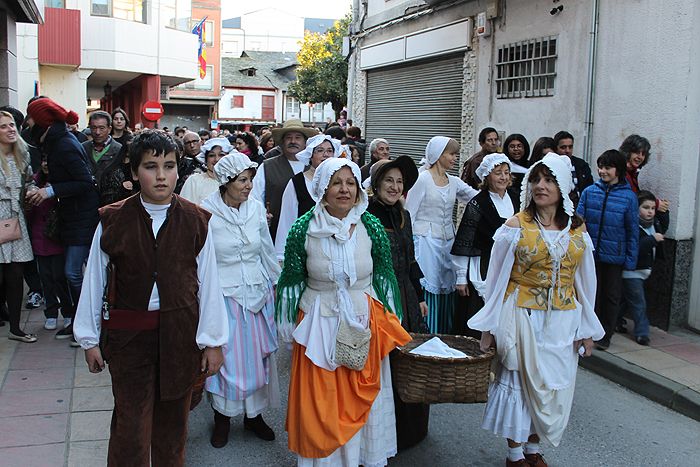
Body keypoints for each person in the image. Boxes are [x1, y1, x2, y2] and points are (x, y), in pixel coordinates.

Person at [72, 129, 228, 466]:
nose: (161, 176)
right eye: (151, 166)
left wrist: (213, 340)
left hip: (180, 336)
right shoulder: (112, 219)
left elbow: (210, 283)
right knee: (130, 429)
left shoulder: (196, 220)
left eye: (169, 166)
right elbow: (95, 280)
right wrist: (89, 339)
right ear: (134, 172)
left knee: (173, 429)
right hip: (129, 340)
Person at [469, 154, 604, 467]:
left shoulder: (577, 229)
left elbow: (585, 285)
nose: (540, 186)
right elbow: (497, 279)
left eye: (549, 180)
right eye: (536, 179)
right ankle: (515, 454)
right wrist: (488, 327)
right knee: (519, 385)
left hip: (563, 320)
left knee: (550, 388)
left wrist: (587, 329)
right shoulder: (515, 226)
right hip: (522, 316)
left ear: (564, 187)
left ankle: (533, 449)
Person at [276, 157, 411, 466]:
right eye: (336, 182)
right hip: (318, 321)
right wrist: (286, 323)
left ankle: (363, 458)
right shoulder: (303, 228)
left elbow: (384, 274)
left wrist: (390, 312)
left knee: (364, 398)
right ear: (322, 188)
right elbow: (292, 279)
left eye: (350, 183)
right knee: (322, 401)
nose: (344, 189)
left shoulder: (370, 225)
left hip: (363, 319)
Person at [202, 153, 282, 448]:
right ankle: (222, 418)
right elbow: (202, 258)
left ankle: (254, 417)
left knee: (257, 361)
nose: (249, 186)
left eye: (250, 179)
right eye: (243, 180)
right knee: (226, 361)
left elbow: (265, 248)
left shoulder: (256, 209)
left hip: (256, 296)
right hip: (223, 296)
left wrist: (275, 283)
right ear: (226, 182)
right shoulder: (206, 211)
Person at [365, 155, 431, 451]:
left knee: (411, 359)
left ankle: (412, 429)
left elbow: (411, 259)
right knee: (387, 362)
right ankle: (385, 433)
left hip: (406, 295)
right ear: (376, 184)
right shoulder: (366, 215)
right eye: (389, 180)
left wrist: (419, 297)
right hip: (380, 297)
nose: (394, 187)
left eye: (399, 182)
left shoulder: (403, 215)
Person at [26, 97, 100, 344]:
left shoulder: (64, 145)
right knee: (72, 273)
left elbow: (84, 182)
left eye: (32, 117)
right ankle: (83, 321)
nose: (28, 123)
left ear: (43, 121)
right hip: (73, 216)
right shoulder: (55, 142)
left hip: (81, 217)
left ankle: (87, 322)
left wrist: (50, 191)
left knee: (73, 273)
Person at [405, 136, 478, 334]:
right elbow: (409, 213)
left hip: (448, 244)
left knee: (447, 285)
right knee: (428, 285)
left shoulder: (453, 181)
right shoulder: (422, 179)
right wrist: (407, 244)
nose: (455, 158)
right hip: (425, 242)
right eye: (451, 154)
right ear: (439, 155)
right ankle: (427, 331)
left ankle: (445, 333)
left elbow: (478, 198)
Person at [576, 149, 638, 350]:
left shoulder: (628, 197)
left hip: (614, 256)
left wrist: (630, 259)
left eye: (608, 167)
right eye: (601, 167)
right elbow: (578, 221)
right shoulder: (589, 192)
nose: (603, 171)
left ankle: (605, 334)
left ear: (618, 170)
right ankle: (588, 331)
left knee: (611, 296)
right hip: (590, 254)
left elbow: (632, 230)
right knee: (590, 293)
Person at [451, 153, 519, 337]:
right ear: (487, 176)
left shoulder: (516, 199)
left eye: (506, 172)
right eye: (498, 173)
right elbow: (465, 239)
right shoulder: (478, 203)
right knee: (479, 311)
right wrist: (461, 278)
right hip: (484, 266)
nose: (503, 177)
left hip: (511, 265)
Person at [0, 110, 37, 342]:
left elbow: (29, 181)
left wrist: (32, 191)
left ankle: (15, 327)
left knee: (15, 275)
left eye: (12, 125)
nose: (10, 129)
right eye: (3, 126)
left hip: (15, 218)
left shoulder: (22, 154)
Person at [274, 134, 340, 260]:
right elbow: (287, 220)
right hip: (306, 252)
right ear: (311, 155)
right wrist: (282, 256)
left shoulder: (341, 183)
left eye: (329, 151)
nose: (325, 155)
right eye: (320, 150)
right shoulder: (297, 182)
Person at [26, 155, 72, 332]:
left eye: (49, 160)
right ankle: (51, 313)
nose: (46, 164)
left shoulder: (62, 181)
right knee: (45, 278)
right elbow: (29, 213)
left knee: (61, 278)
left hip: (58, 237)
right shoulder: (33, 183)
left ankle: (68, 312)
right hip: (39, 237)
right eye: (43, 160)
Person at [250, 119, 316, 240]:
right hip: (275, 231)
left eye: (297, 137)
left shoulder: (315, 167)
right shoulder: (267, 166)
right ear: (282, 142)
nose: (293, 141)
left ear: (305, 142)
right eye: (288, 138)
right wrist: (262, 214)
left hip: (311, 233)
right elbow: (255, 197)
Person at [621, 190, 668, 346]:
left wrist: (664, 211)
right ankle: (642, 333)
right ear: (636, 208)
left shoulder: (654, 223)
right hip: (631, 271)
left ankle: (614, 321)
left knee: (626, 301)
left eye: (653, 208)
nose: (650, 212)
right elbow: (636, 247)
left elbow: (664, 225)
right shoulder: (633, 225)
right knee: (638, 303)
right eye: (646, 207)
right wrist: (652, 240)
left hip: (644, 270)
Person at [83, 111, 124, 206]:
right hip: (86, 202)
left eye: (102, 128)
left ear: (109, 129)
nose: (97, 132)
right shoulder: (83, 148)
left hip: (110, 203)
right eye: (94, 128)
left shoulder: (119, 150)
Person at [180, 137, 232, 205]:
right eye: (211, 155)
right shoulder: (194, 181)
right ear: (206, 160)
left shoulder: (235, 182)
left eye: (221, 155)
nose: (216, 159)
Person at [553, 131, 593, 207]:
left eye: (570, 147)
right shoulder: (551, 165)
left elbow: (589, 189)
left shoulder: (581, 165)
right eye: (563, 147)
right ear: (556, 148)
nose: (567, 151)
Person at [502, 134, 530, 198]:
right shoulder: (503, 166)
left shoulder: (531, 166)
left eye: (519, 146)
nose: (516, 149)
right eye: (512, 146)